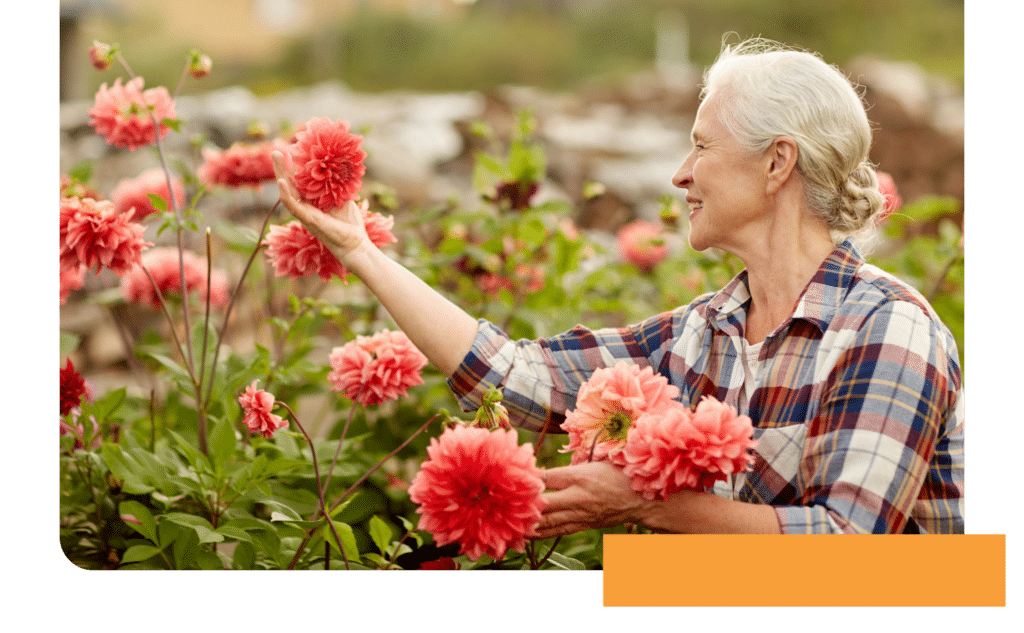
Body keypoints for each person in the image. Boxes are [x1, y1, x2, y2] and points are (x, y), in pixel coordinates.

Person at [271, 38, 965, 537]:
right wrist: (358, 249)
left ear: (777, 162)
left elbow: (850, 555)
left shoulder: (889, 327)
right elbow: (515, 375)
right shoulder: (706, 331)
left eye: (702, 145)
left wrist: (646, 504)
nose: (680, 174)